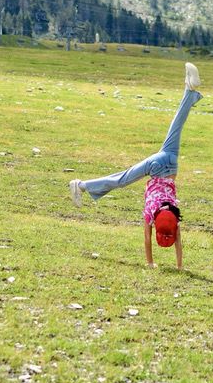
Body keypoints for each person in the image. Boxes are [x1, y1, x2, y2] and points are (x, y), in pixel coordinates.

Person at [70, 62, 203, 269]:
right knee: (122, 179)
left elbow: (177, 243)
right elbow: (147, 241)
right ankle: (81, 185)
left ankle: (189, 89)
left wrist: (180, 267)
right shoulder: (152, 215)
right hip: (157, 167)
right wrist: (150, 263)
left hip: (171, 164)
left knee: (177, 125)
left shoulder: (175, 214)